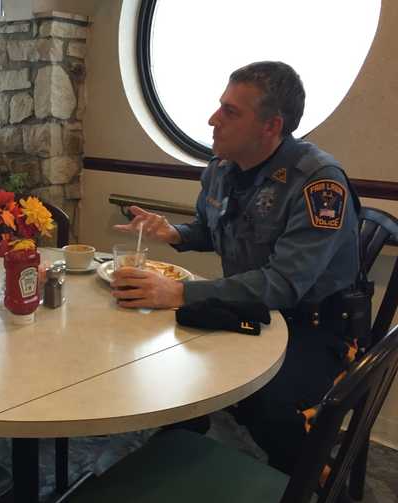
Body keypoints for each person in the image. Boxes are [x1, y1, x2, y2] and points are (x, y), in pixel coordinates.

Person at [113, 61, 361, 475]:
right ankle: (183, 455)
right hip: (253, 311)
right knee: (164, 349)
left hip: (317, 329)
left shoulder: (318, 183)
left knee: (266, 402)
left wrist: (179, 292)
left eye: (230, 112)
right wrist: (175, 233)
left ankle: (317, 495)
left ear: (271, 125)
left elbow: (284, 284)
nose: (213, 120)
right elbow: (214, 231)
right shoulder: (223, 170)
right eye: (219, 107)